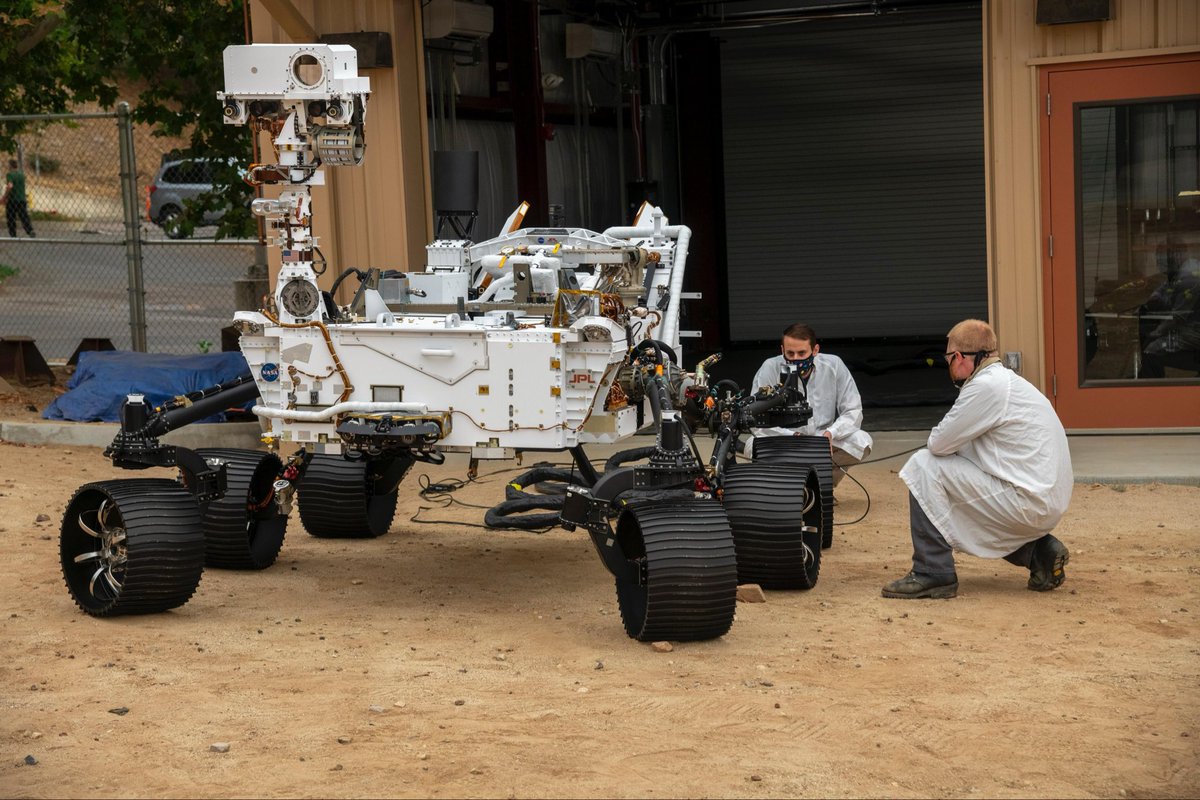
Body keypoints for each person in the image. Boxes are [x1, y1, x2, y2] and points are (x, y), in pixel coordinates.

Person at [882, 319, 1073, 600]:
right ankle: (1039, 553)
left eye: (948, 358)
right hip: (1043, 501)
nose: (948, 365)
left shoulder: (985, 386)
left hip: (1026, 501)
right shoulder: (1009, 382)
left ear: (958, 358)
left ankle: (932, 572)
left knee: (923, 466)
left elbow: (938, 443)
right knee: (957, 485)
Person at [749, 322, 872, 486]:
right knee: (752, 446)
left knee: (861, 441)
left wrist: (831, 433)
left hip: (823, 437)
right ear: (782, 350)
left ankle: (822, 486)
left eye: (802, 353)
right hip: (784, 439)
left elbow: (853, 410)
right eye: (790, 353)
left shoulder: (833, 365)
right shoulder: (770, 367)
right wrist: (790, 436)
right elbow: (756, 419)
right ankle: (787, 488)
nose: (796, 359)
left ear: (815, 350)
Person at [3, 159, 36, 238]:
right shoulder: (22, 175)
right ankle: (30, 230)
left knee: (11, 217)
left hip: (12, 200)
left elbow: (10, 186)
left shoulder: (10, 174)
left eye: (8, 165)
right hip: (22, 199)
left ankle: (13, 234)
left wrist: (5, 196)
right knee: (24, 216)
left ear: (10, 166)